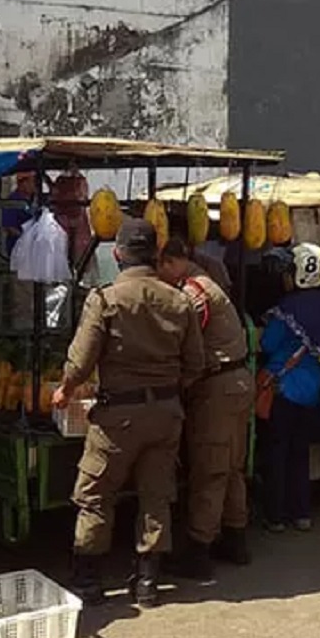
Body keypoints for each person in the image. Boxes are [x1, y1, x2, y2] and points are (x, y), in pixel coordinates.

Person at [53, 218, 204, 609]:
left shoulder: (106, 299)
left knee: (95, 493)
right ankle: (148, 583)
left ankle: (88, 581)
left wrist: (65, 390)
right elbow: (195, 363)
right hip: (166, 413)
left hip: (117, 415)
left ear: (118, 254)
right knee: (156, 495)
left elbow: (80, 361)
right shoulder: (180, 301)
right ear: (155, 254)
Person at [156, 236, 254, 578]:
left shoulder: (193, 292)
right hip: (237, 382)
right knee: (231, 466)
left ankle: (199, 550)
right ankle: (236, 538)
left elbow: (182, 343)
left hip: (217, 387)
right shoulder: (206, 280)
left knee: (210, 468)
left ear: (170, 262)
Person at [257, 243, 320, 533]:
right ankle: (302, 513)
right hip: (311, 388)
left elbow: (268, 344)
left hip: (283, 387)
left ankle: (275, 516)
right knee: (300, 452)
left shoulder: (287, 308)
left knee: (277, 451)